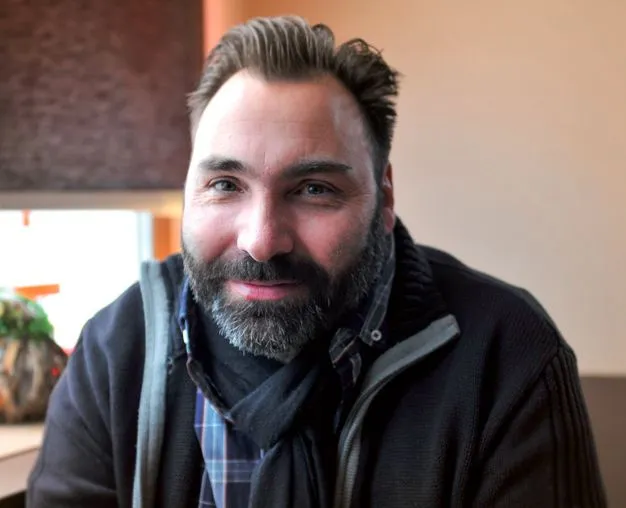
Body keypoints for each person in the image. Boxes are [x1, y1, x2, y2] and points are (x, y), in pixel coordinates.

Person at [27, 15, 607, 508]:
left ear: (384, 199)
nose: (261, 241)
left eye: (313, 190)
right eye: (225, 184)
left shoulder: (508, 355)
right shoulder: (115, 353)